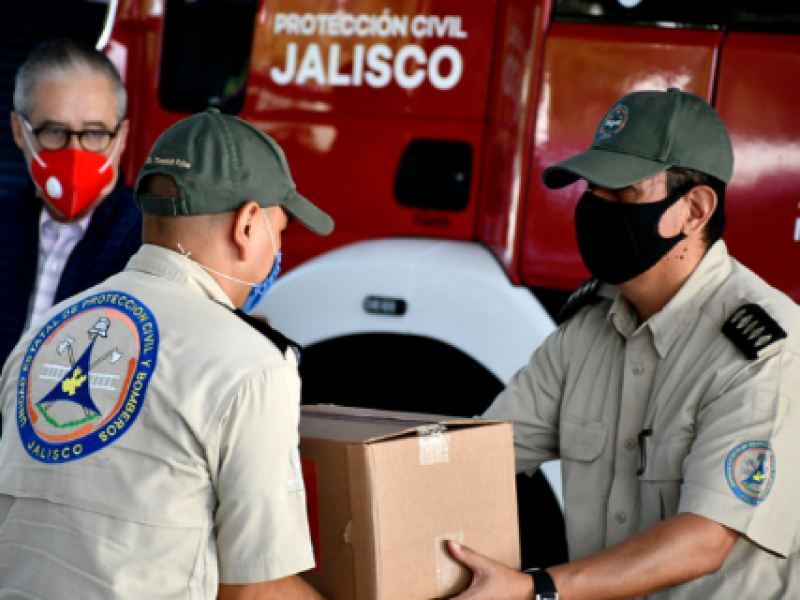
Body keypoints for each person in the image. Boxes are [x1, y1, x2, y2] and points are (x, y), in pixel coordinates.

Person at [448, 88, 800, 599]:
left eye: (624, 193)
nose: (597, 208)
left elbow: (706, 538)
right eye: (593, 189)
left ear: (695, 210)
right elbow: (483, 455)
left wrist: (536, 590)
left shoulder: (763, 351)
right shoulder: (586, 329)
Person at [0, 108, 334, 599]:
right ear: (246, 226)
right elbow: (254, 592)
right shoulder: (252, 365)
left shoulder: (44, 334)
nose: (277, 251)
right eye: (279, 230)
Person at [0, 38, 141, 372]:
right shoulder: (2, 226)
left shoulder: (148, 242)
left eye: (94, 133)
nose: (76, 152)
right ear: (20, 132)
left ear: (121, 137)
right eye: (55, 132)